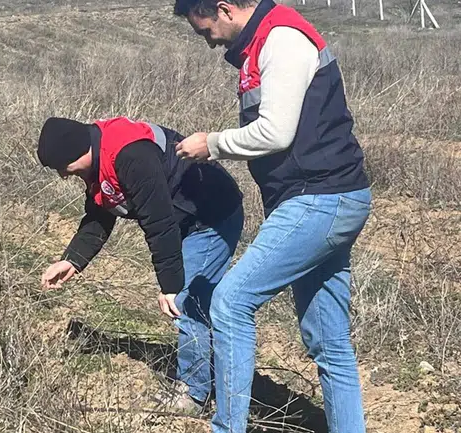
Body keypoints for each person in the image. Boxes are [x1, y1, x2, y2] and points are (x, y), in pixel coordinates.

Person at [172, 0, 372, 431]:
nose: (206, 41)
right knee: (330, 342)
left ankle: (227, 427)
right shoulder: (262, 44)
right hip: (327, 198)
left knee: (229, 302)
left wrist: (214, 143)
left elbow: (277, 131)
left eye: (205, 30)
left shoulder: (281, 39)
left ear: (224, 9)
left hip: (320, 198)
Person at [37, 116, 243, 412]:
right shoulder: (99, 159)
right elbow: (99, 214)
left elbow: (158, 223)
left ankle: (194, 394)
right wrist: (72, 260)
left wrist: (171, 286)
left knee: (188, 302)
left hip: (211, 218)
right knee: (190, 300)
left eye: (63, 168)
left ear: (78, 153)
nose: (62, 176)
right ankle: (206, 379)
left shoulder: (130, 155)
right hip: (183, 218)